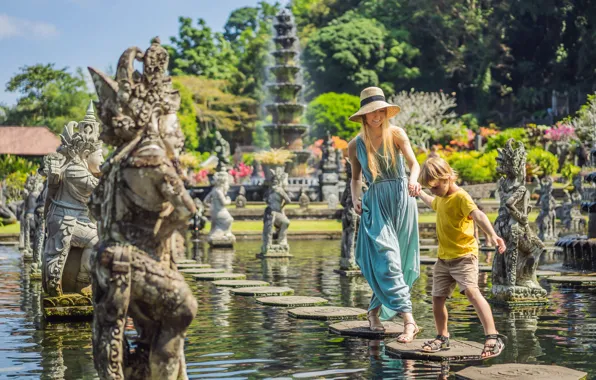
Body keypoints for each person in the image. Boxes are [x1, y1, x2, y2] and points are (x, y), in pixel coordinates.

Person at [347, 87, 421, 342]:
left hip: (403, 200)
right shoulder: (355, 145)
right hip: (376, 203)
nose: (376, 116)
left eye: (380, 111)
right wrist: (356, 198)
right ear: (364, 117)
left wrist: (413, 181)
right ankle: (409, 322)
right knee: (387, 260)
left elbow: (415, 164)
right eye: (371, 113)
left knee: (397, 263)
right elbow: (356, 179)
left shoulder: (397, 134)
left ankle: (373, 312)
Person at [417, 157, 507, 358]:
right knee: (437, 298)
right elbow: (433, 203)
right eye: (429, 188)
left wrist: (492, 234)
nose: (433, 191)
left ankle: (493, 336)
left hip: (464, 256)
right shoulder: (440, 197)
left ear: (447, 178)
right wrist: (419, 192)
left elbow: (479, 215)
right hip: (444, 259)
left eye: (434, 186)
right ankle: (442, 337)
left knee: (472, 293)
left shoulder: (461, 197)